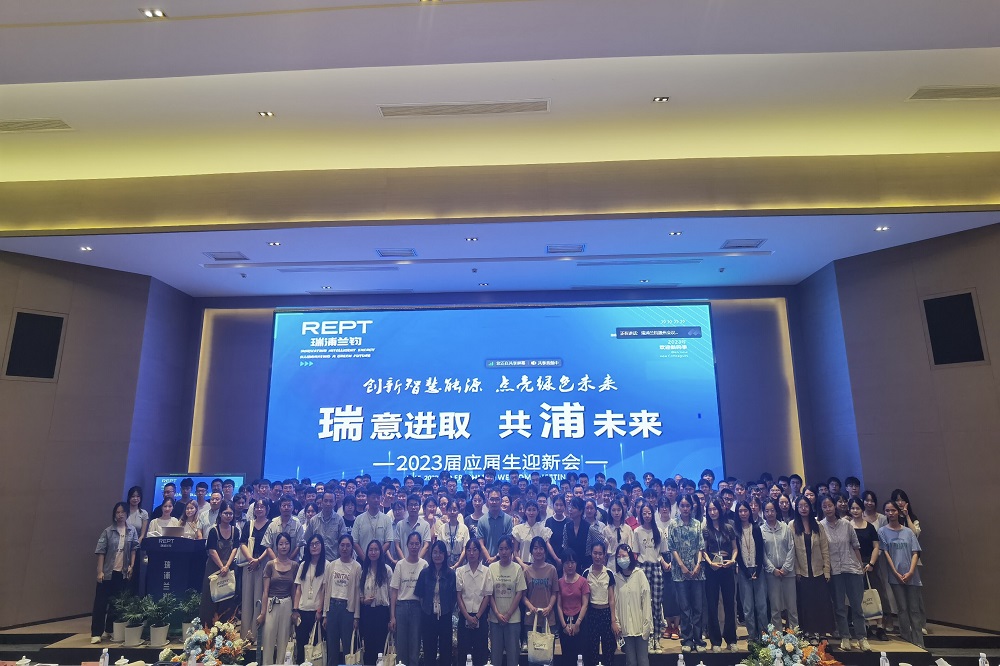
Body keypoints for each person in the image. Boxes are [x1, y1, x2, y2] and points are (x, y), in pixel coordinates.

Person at [819, 495, 867, 651]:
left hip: (852, 568)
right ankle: (845, 636)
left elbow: (856, 546)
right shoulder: (820, 526)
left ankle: (862, 637)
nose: (828, 509)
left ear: (835, 506)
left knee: (856, 605)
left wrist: (860, 567)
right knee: (839, 606)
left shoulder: (846, 524)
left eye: (830, 505)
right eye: (824, 506)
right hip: (834, 571)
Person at [879, 501, 925, 648]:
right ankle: (907, 641)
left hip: (912, 576)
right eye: (887, 511)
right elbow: (886, 553)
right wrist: (895, 572)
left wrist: (911, 572)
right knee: (902, 609)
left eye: (893, 510)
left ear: (898, 512)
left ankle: (919, 642)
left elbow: (915, 552)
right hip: (895, 576)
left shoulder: (908, 532)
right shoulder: (882, 532)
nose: (890, 513)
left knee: (914, 609)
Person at [91, 502, 139, 643]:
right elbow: (101, 552)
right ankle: (96, 633)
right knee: (101, 603)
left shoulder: (132, 530)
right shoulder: (108, 531)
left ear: (127, 514)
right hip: (107, 572)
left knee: (116, 603)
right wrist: (100, 571)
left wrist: (132, 566)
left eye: (122, 512)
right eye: (117, 512)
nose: (120, 515)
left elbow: (134, 549)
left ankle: (109, 629)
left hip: (122, 572)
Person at [792, 496, 835, 643]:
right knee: (807, 604)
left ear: (810, 508)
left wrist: (827, 570)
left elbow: (825, 549)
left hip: (818, 570)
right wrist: (797, 570)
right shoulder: (792, 525)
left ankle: (822, 633)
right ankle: (810, 633)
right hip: (802, 571)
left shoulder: (817, 525)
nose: (803, 509)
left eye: (806, 506)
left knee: (821, 603)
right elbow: (792, 551)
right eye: (800, 506)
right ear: (797, 508)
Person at [669, 494, 706, 653]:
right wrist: (682, 566)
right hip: (680, 573)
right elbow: (672, 547)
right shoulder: (673, 524)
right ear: (678, 507)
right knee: (684, 608)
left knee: (697, 608)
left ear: (692, 507)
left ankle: (698, 640)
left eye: (688, 506)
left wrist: (698, 565)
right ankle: (687, 640)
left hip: (697, 572)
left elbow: (701, 547)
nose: (685, 509)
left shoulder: (697, 524)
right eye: (682, 506)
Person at [484, 534, 527, 666]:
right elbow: (489, 593)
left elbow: (519, 593)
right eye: (501, 549)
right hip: (495, 619)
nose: (504, 552)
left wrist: (508, 614)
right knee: (495, 656)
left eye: (506, 549)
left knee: (513, 657)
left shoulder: (517, 568)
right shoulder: (492, 568)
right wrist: (497, 614)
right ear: (498, 550)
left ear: (511, 550)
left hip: (513, 619)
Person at [703, 499, 738, 651]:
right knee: (712, 605)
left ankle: (731, 640)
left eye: (715, 509)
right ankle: (715, 641)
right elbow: (703, 550)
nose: (713, 512)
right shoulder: (705, 529)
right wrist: (710, 563)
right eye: (710, 510)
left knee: (730, 604)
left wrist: (733, 560)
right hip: (712, 570)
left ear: (720, 510)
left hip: (727, 568)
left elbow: (735, 548)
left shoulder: (729, 528)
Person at [391, 531, 430, 666]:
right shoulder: (400, 564)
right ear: (406, 545)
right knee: (401, 646)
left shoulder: (424, 565)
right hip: (401, 607)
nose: (414, 547)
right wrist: (392, 616)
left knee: (415, 645)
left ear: (420, 545)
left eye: (417, 544)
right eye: (411, 544)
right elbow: (394, 591)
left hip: (417, 608)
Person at [257, 532, 296, 665]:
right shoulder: (270, 565)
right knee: (268, 639)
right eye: (281, 544)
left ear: (290, 545)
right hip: (271, 604)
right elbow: (265, 591)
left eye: (286, 543)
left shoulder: (295, 566)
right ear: (276, 546)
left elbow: (294, 590)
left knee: (283, 641)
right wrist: (263, 613)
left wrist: (295, 610)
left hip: (287, 604)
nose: (284, 546)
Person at [416, 541, 457, 666]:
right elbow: (420, 594)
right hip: (428, 615)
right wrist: (427, 607)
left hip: (445, 615)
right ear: (431, 554)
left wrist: (446, 608)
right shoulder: (424, 573)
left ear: (445, 555)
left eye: (440, 552)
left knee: (446, 650)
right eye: (435, 552)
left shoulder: (451, 574)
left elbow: (454, 596)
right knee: (429, 650)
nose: (437, 555)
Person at [632, 503, 667, 653]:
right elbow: (636, 553)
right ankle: (648, 637)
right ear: (641, 514)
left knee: (657, 604)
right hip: (642, 568)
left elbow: (662, 552)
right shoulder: (637, 531)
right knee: (644, 604)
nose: (647, 516)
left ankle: (657, 638)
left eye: (649, 513)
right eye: (644, 513)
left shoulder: (659, 531)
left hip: (656, 568)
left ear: (653, 514)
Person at [760, 499, 798, 633]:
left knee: (792, 607)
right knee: (775, 608)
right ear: (763, 513)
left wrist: (786, 568)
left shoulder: (785, 528)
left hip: (788, 572)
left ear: (776, 511)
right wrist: (773, 569)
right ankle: (778, 637)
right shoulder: (761, 530)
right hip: (772, 574)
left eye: (772, 510)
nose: (770, 513)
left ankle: (794, 635)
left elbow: (791, 548)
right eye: (767, 511)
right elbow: (762, 554)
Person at [201, 500, 241, 625]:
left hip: (229, 568)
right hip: (214, 568)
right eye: (225, 513)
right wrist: (221, 567)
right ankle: (208, 630)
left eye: (230, 513)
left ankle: (226, 629)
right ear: (220, 514)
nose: (228, 516)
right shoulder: (213, 531)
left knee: (228, 598)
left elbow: (235, 549)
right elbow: (212, 551)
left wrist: (227, 566)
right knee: (210, 598)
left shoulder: (235, 531)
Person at [325, 534, 361, 666]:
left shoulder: (357, 567)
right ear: (338, 546)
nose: (345, 548)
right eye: (342, 545)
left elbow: (357, 593)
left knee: (348, 647)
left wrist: (356, 617)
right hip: (332, 607)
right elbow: (326, 590)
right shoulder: (331, 565)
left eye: (348, 545)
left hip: (347, 609)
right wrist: (325, 614)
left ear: (352, 548)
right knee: (332, 646)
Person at [613, 544, 653, 666]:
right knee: (630, 662)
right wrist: (617, 623)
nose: (621, 559)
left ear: (630, 557)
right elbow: (614, 603)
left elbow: (646, 601)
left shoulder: (639, 574)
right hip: (625, 628)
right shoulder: (616, 578)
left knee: (643, 661)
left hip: (640, 627)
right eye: (619, 556)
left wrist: (647, 624)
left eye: (624, 556)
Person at [734, 500, 767, 644]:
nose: (743, 513)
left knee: (761, 605)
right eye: (740, 511)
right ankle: (752, 636)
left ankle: (764, 636)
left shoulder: (756, 528)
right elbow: (737, 553)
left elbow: (760, 550)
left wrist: (758, 570)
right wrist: (746, 571)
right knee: (747, 607)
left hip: (758, 570)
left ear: (750, 512)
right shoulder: (736, 531)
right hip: (743, 571)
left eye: (745, 510)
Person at [848, 497, 879, 648]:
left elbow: (876, 546)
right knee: (856, 597)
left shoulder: (870, 527)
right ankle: (860, 627)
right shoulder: (847, 526)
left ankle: (876, 626)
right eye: (852, 508)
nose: (855, 511)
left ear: (862, 509)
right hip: (852, 565)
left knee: (872, 595)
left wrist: (871, 563)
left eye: (857, 508)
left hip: (869, 564)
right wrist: (857, 564)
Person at [240, 499, 271, 639]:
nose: (259, 509)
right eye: (257, 507)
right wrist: (250, 559)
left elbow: (269, 546)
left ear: (267, 509)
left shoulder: (270, 525)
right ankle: (246, 634)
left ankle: (258, 634)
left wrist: (258, 560)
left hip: (264, 564)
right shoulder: (249, 524)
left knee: (260, 596)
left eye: (262, 507)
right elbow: (242, 543)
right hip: (249, 564)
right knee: (247, 597)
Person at [292, 535, 327, 665]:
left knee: (316, 648)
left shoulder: (327, 565)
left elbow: (324, 590)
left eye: (317, 543)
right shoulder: (303, 565)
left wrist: (320, 610)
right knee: (301, 646)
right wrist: (295, 610)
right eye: (312, 544)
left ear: (322, 546)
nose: (314, 546)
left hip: (317, 612)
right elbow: (298, 589)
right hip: (302, 610)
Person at [456, 540, 491, 666]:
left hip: (480, 617)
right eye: (469, 550)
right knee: (462, 654)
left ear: (479, 552)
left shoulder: (486, 571)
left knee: (480, 655)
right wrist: (467, 617)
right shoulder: (460, 571)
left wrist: (476, 617)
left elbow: (487, 596)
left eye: (474, 550)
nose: (471, 553)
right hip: (464, 616)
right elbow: (458, 596)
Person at [359, 540, 393, 666]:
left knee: (381, 647)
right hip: (368, 613)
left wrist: (392, 617)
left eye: (376, 550)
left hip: (382, 612)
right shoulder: (364, 571)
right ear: (367, 552)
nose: (373, 552)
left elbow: (392, 596)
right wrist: (364, 601)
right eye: (371, 550)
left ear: (380, 552)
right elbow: (359, 595)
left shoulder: (387, 570)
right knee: (368, 647)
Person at [584, 541, 617, 666]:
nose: (597, 556)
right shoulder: (586, 573)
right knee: (592, 648)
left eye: (600, 554)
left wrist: (613, 620)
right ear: (591, 554)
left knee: (608, 648)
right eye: (595, 553)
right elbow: (585, 599)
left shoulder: (609, 573)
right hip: (592, 613)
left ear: (604, 555)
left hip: (606, 613)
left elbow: (612, 599)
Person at [558, 548, 591, 666]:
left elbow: (585, 604)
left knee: (581, 655)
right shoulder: (560, 582)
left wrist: (577, 624)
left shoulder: (583, 581)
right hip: (564, 621)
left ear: (576, 563)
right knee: (566, 657)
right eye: (567, 563)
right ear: (563, 564)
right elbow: (559, 605)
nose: (570, 565)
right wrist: (564, 625)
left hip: (580, 621)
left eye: (572, 562)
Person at [513, 501, 554, 568]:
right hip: (523, 565)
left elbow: (546, 550)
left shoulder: (543, 530)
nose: (531, 513)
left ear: (537, 512)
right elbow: (515, 551)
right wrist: (522, 564)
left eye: (534, 510)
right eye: (529, 510)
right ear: (525, 512)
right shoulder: (518, 529)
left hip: (539, 565)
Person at [439, 500, 471, 568]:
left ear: (458, 511)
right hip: (445, 563)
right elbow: (439, 548)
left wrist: (458, 564)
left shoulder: (464, 528)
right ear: (447, 511)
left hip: (461, 564)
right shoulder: (442, 528)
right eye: (450, 510)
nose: (452, 512)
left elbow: (465, 548)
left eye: (455, 510)